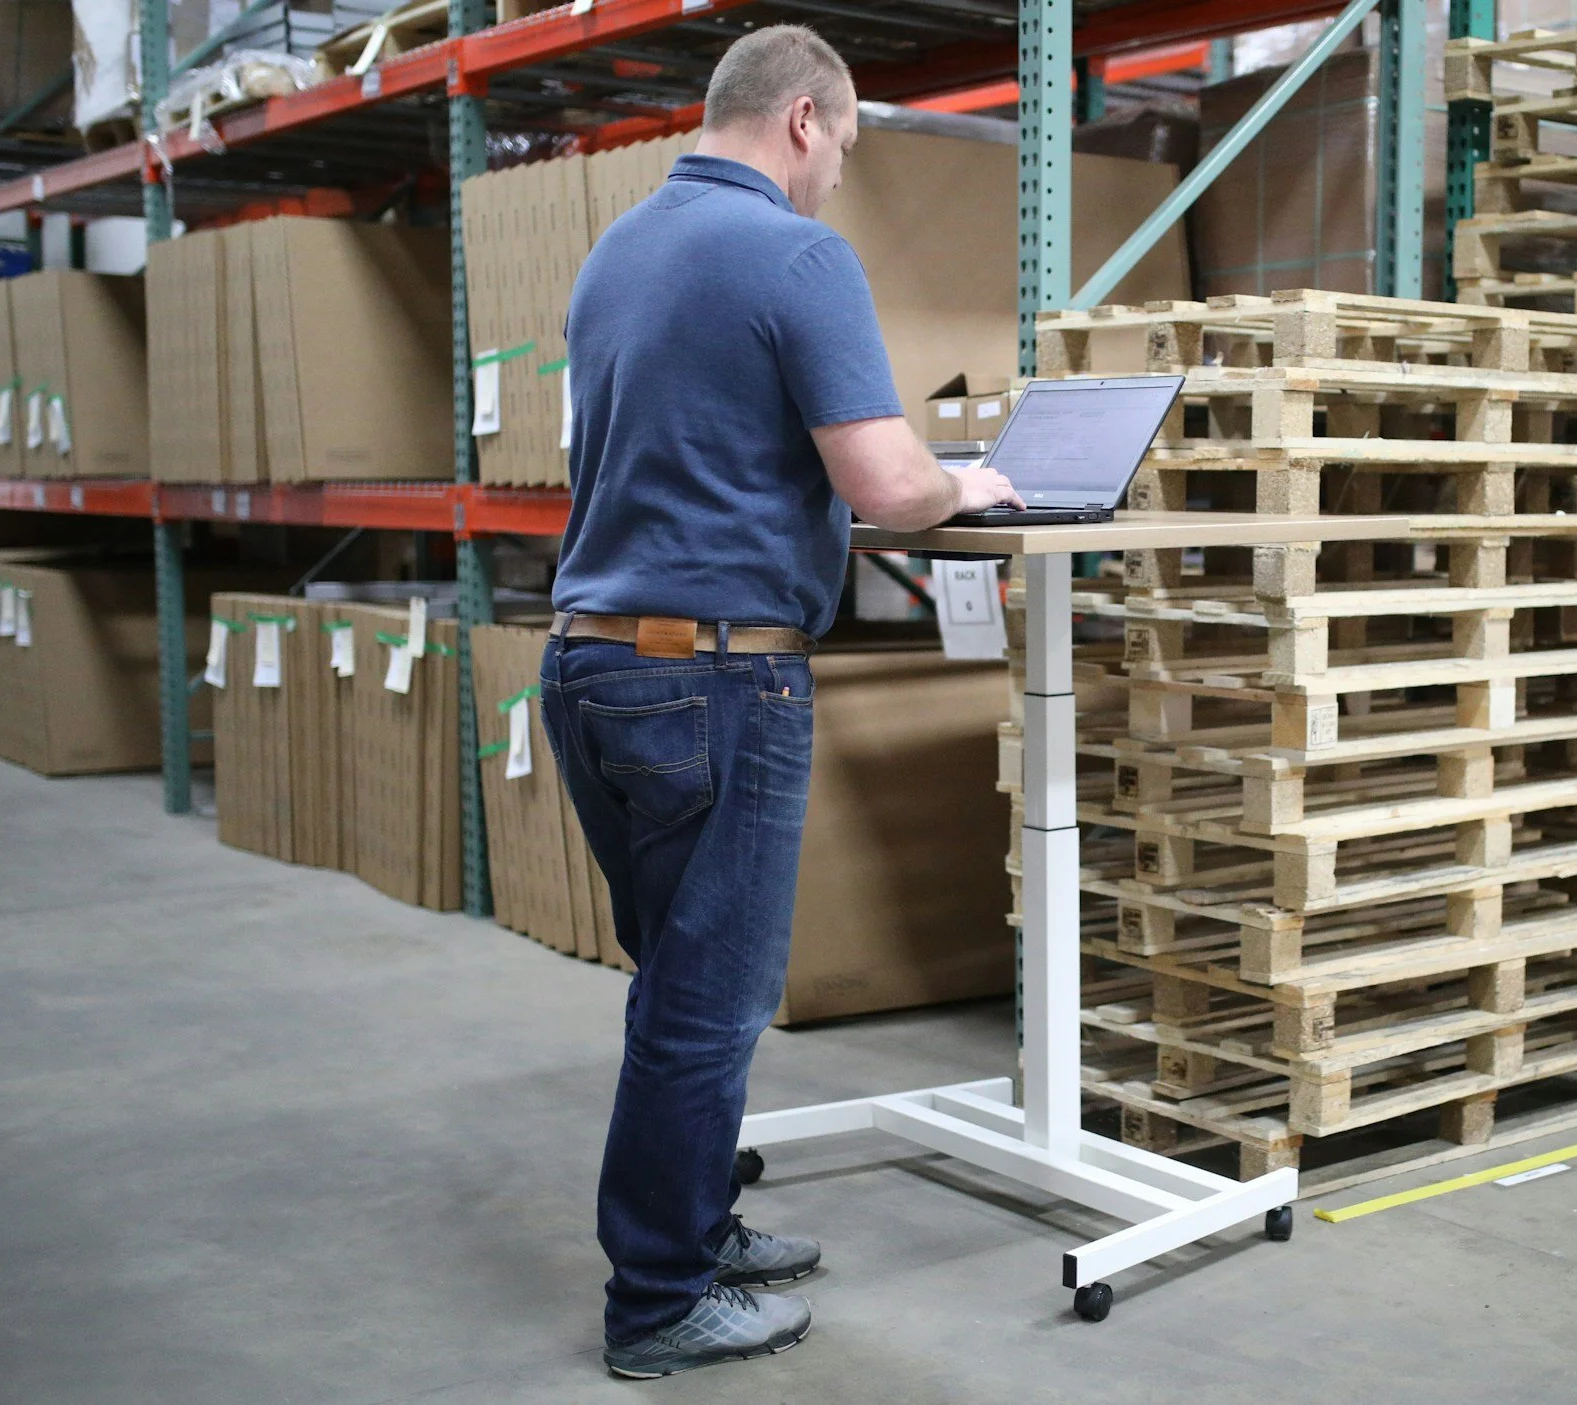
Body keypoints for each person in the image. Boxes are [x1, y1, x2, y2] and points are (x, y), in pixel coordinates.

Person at [538, 24, 1021, 1382]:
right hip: (714, 674)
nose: (837, 183)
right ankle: (659, 1301)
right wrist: (960, 487)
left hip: (593, 662)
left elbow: (695, 448)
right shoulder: (797, 255)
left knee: (674, 989)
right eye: (845, 153)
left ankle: (693, 1225)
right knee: (710, 1003)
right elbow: (882, 484)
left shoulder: (619, 251)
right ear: (804, 122)